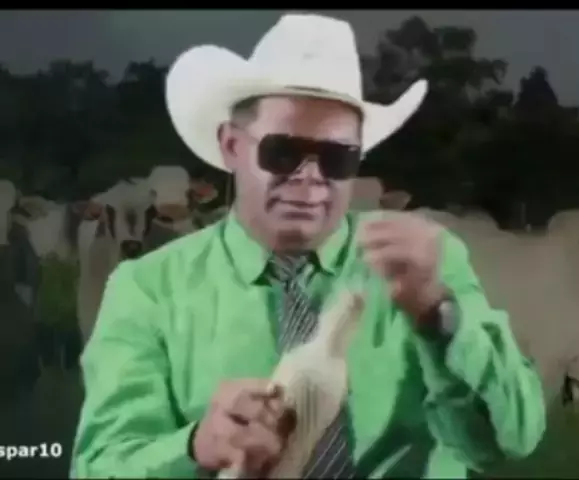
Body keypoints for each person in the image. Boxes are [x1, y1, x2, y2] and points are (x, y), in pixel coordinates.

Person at [70, 12, 546, 479]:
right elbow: (99, 466)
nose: (311, 177)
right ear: (231, 146)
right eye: (283, 152)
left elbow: (510, 440)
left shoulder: (424, 264)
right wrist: (195, 446)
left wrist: (439, 318)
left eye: (337, 158)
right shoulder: (148, 289)